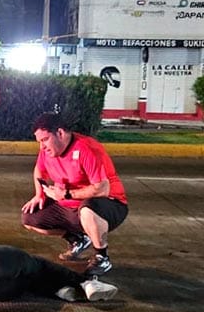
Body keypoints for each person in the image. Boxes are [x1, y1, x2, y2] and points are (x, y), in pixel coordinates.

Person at [21, 112, 129, 276]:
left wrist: (66, 194)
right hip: (71, 208)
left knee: (87, 210)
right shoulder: (47, 151)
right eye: (39, 142)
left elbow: (102, 189)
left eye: (44, 140)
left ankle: (102, 257)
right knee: (29, 217)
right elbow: (39, 170)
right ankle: (77, 239)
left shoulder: (87, 148)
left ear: (60, 133)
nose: (42, 147)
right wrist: (39, 195)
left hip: (108, 204)